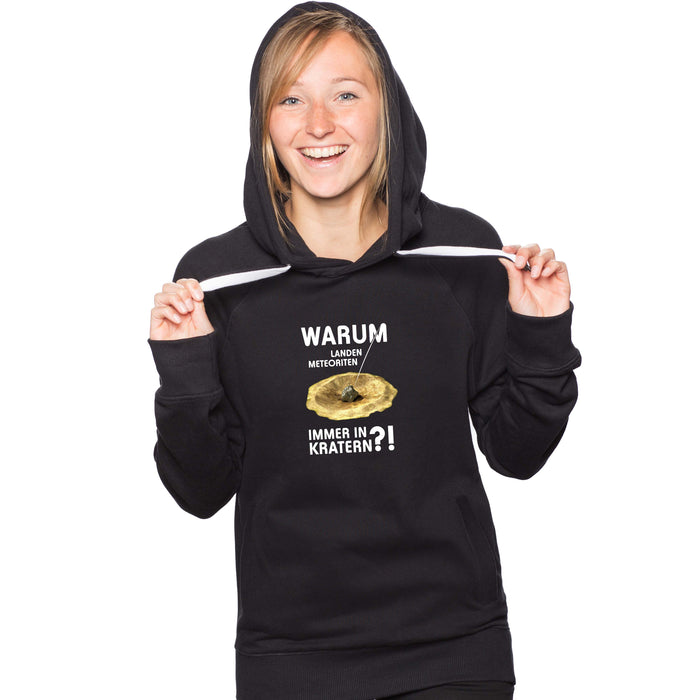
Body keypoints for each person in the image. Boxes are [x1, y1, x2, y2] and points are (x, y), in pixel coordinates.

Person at [147, 3, 581, 699]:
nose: (319, 125)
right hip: (290, 659)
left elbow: (518, 454)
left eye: (345, 95)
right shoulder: (218, 280)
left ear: (388, 110)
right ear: (264, 122)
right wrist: (186, 377)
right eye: (291, 99)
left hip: (452, 651)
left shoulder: (462, 256)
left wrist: (539, 333)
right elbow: (200, 492)